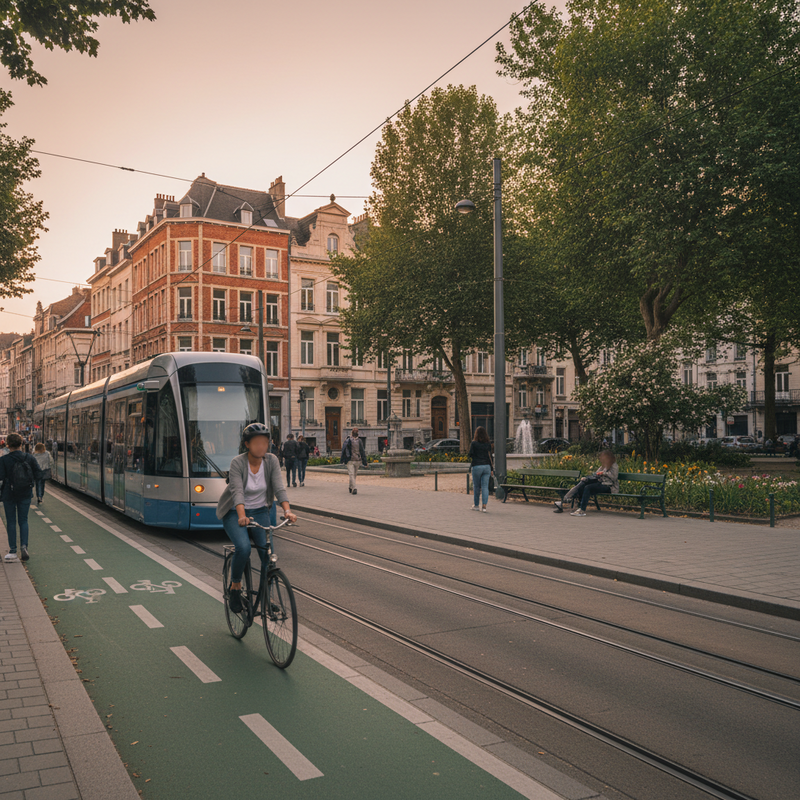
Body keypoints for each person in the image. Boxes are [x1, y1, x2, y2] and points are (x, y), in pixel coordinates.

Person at [216, 423, 296, 613]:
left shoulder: (272, 461)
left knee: (267, 557)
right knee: (243, 548)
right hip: (235, 512)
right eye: (257, 443)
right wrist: (242, 516)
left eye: (265, 443)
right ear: (247, 445)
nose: (262, 447)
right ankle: (235, 587)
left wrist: (287, 510)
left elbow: (279, 488)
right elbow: (237, 492)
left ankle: (267, 598)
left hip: (261, 511)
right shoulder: (238, 462)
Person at [0, 433, 44, 562]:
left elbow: (1, 477)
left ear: (8, 445)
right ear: (21, 444)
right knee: (23, 520)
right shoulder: (29, 458)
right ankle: (24, 546)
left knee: (11, 521)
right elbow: (39, 474)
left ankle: (13, 551)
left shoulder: (4, 460)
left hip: (9, 493)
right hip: (25, 493)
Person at [554, 449, 619, 517]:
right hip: (600, 483)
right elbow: (595, 474)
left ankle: (580, 508)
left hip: (609, 486)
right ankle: (567, 500)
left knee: (588, 488)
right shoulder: (603, 466)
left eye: (603, 457)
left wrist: (604, 473)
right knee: (583, 483)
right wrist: (590, 476)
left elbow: (614, 477)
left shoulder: (614, 465)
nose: (601, 458)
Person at [468, 426, 493, 512]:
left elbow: (470, 454)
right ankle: (484, 506)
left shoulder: (474, 443)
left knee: (477, 486)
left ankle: (476, 505)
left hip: (477, 465)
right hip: (487, 466)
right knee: (485, 487)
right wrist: (492, 469)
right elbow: (490, 457)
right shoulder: (488, 444)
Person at [340, 427, 367, 495]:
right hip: (355, 460)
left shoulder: (349, 440)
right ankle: (354, 488)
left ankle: (350, 486)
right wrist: (365, 462)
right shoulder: (358, 441)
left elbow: (343, 450)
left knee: (352, 474)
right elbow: (362, 452)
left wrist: (342, 459)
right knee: (353, 474)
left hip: (352, 460)